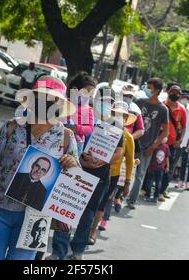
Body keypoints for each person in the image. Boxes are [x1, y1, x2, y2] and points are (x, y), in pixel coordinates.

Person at [0, 75, 79, 260]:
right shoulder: (11, 127)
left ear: (59, 103)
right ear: (32, 99)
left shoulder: (66, 137)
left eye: (52, 99)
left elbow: (74, 181)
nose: (46, 102)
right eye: (41, 97)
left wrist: (71, 165)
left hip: (35, 218)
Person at [47, 86, 123, 260]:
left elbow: (118, 151)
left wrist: (102, 160)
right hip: (74, 171)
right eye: (101, 101)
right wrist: (79, 159)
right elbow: (71, 140)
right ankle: (58, 251)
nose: (103, 105)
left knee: (87, 214)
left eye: (108, 102)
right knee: (64, 209)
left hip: (99, 177)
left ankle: (77, 251)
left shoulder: (115, 125)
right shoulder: (82, 117)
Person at [127, 78, 169, 209]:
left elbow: (165, 132)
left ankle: (131, 200)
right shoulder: (139, 103)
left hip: (147, 147)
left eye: (149, 87)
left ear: (156, 90)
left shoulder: (163, 109)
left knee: (140, 175)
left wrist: (153, 146)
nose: (147, 89)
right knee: (125, 170)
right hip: (132, 141)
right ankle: (117, 196)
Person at [94, 101, 136, 231]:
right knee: (91, 202)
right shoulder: (101, 129)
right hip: (95, 169)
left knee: (103, 202)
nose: (118, 117)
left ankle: (93, 231)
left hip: (113, 175)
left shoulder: (128, 137)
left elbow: (130, 161)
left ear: (126, 118)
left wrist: (127, 183)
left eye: (122, 115)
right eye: (115, 114)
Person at [160, 82, 187, 200]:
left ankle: (163, 189)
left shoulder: (182, 110)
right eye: (173, 92)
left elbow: (184, 126)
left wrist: (180, 140)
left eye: (177, 93)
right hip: (160, 142)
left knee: (169, 168)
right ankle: (147, 188)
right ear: (168, 92)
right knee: (155, 165)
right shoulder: (162, 106)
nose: (175, 95)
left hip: (172, 144)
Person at [66, 71, 96, 156]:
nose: (88, 97)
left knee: (71, 166)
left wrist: (76, 128)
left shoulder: (88, 109)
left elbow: (90, 129)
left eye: (90, 95)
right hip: (61, 138)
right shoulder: (65, 103)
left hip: (77, 143)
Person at [176, 92, 189, 192]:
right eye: (182, 98)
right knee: (178, 162)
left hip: (187, 140)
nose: (184, 100)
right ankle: (180, 180)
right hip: (176, 139)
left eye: (185, 98)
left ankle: (188, 181)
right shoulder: (178, 108)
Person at [144, 137, 170, 202]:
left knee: (158, 183)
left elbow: (167, 157)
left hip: (160, 168)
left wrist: (167, 166)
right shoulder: (155, 145)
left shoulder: (166, 147)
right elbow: (150, 155)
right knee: (150, 182)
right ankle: (148, 195)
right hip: (152, 167)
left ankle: (156, 196)